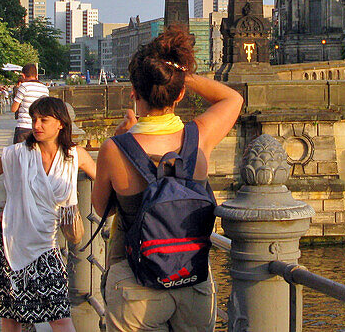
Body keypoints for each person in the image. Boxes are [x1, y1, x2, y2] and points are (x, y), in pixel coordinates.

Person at [91, 26, 243, 332]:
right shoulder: (198, 137)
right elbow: (232, 98)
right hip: (192, 280)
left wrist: (120, 137)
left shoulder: (114, 149)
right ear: (180, 92)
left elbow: (100, 209)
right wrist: (180, 74)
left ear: (134, 92)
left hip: (136, 283)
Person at [0, 97, 97, 331]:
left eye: (44, 120)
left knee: (60, 316)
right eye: (34, 120)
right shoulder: (19, 154)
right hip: (11, 244)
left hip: (45, 244)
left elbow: (102, 179)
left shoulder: (75, 155)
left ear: (61, 123)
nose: (37, 125)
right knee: (11, 317)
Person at [11, 64, 49, 144]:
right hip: (38, 128)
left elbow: (13, 109)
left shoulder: (23, 87)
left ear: (23, 75)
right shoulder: (44, 88)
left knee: (20, 154)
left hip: (24, 126)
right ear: (36, 75)